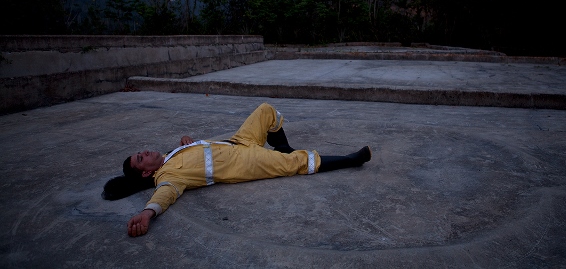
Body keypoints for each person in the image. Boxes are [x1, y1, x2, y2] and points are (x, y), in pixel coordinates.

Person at [102, 102, 372, 237]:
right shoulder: (168, 176)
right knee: (295, 165)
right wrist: (148, 213)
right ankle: (351, 160)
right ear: (147, 173)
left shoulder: (168, 155)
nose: (145, 152)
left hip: (237, 142)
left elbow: (194, 150)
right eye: (140, 158)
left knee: (266, 111)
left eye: (140, 152)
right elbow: (165, 194)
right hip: (244, 163)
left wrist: (186, 140)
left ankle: (284, 148)